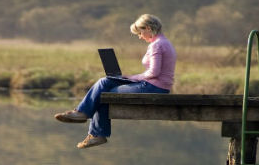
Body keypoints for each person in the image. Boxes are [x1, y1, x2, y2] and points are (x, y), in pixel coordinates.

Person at [54, 14, 177, 149]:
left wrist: (132, 77)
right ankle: (89, 124)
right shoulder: (163, 42)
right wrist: (129, 77)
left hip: (153, 87)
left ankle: (89, 124)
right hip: (157, 86)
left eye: (140, 33)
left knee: (103, 91)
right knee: (104, 83)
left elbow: (154, 73)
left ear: (148, 28)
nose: (140, 36)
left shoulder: (156, 45)